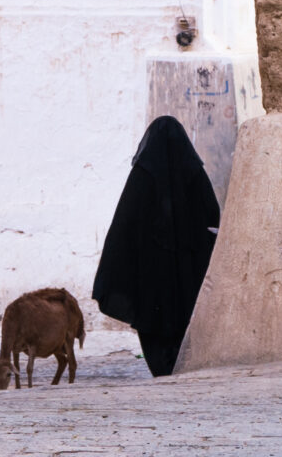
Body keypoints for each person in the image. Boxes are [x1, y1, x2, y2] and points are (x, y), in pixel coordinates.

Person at [89, 114, 220, 376]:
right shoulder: (194, 173)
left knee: (154, 320)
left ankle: (162, 369)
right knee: (184, 318)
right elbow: (212, 218)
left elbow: (123, 227)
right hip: (186, 275)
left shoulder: (141, 177)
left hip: (151, 275)